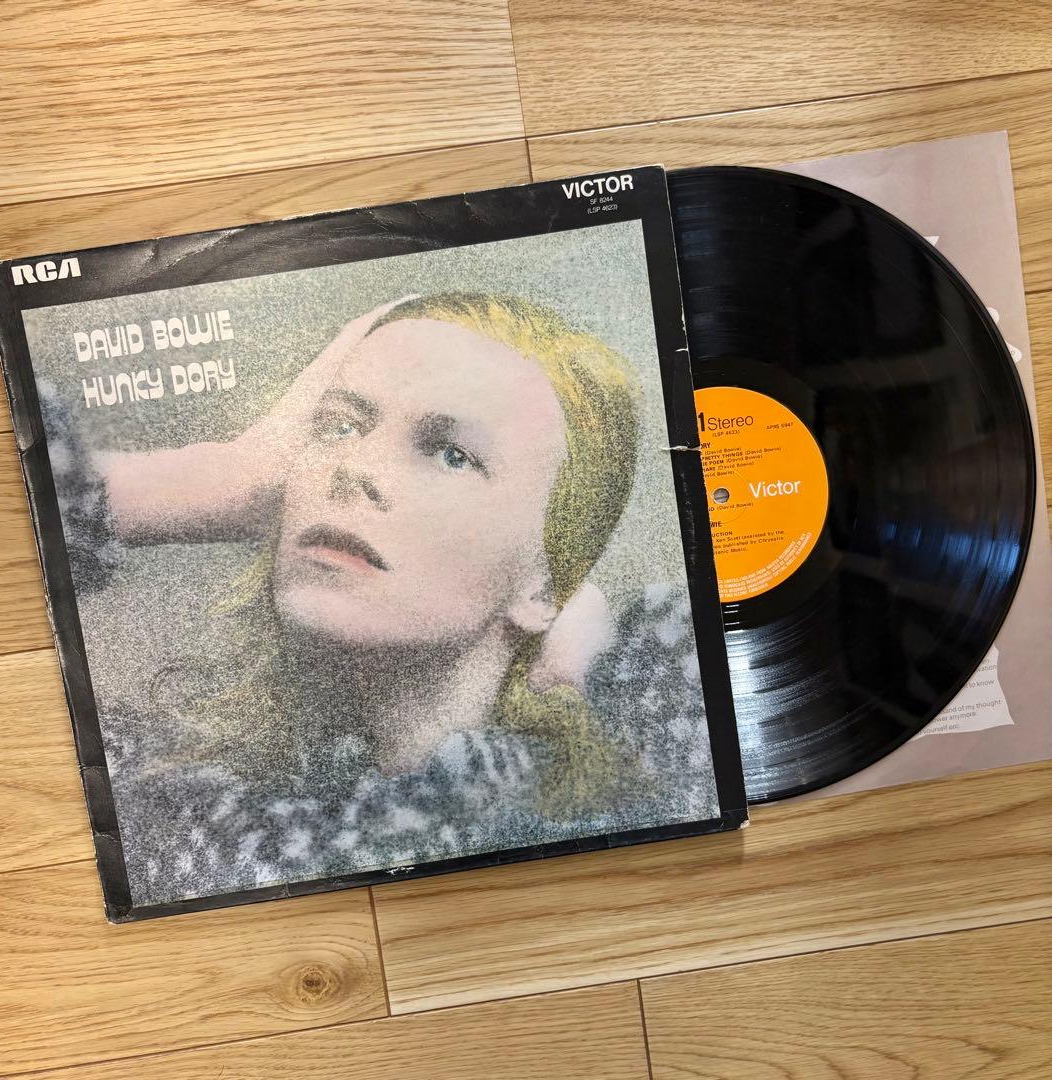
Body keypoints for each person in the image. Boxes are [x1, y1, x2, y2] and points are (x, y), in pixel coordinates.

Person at [44, 292, 716, 905]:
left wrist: (593, 666)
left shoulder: (648, 760)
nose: (356, 470)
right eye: (338, 426)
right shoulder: (167, 795)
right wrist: (220, 477)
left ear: (546, 586)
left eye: (451, 454)